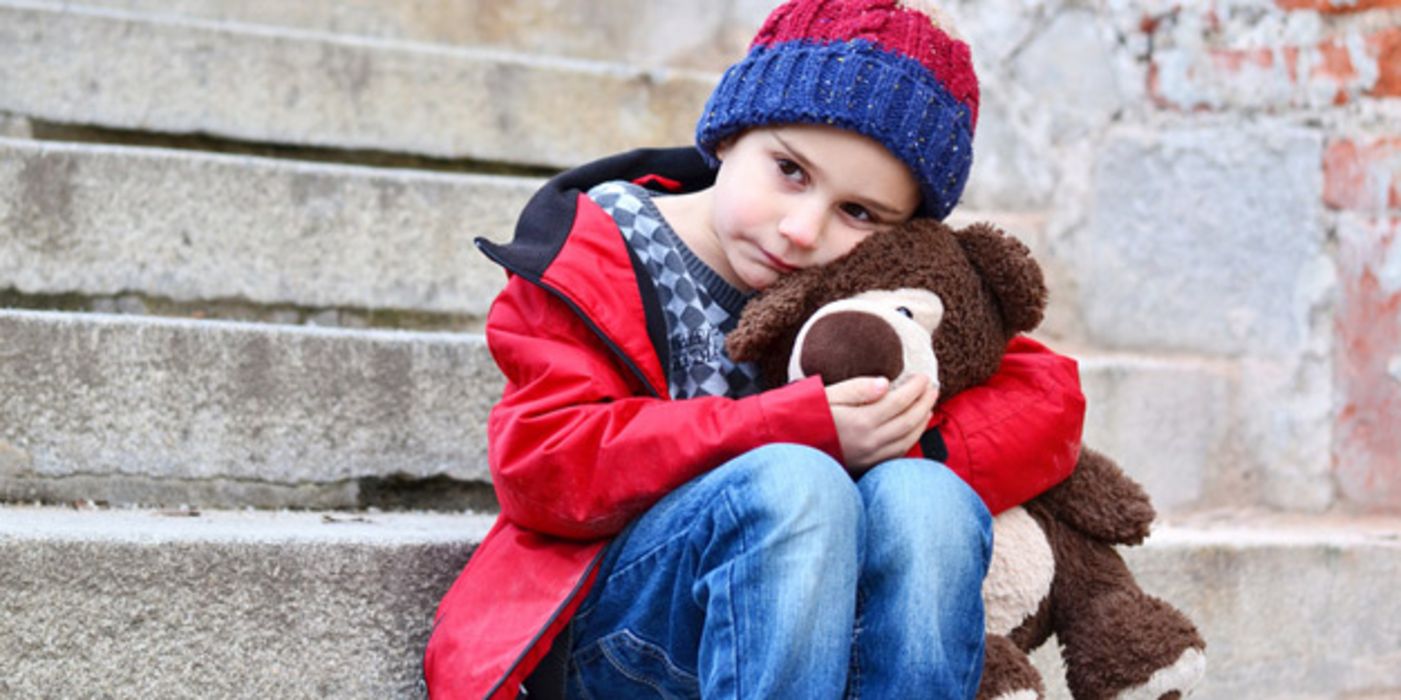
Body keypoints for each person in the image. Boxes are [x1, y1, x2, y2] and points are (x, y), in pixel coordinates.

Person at [423, 1, 1085, 698]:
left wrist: (894, 442)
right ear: (729, 134)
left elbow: (1048, 397)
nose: (802, 230)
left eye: (857, 213)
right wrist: (804, 430)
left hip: (818, 634)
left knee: (925, 497)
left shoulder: (867, 284)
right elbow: (543, 464)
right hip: (626, 627)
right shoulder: (597, 252)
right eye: (789, 171)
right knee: (795, 482)